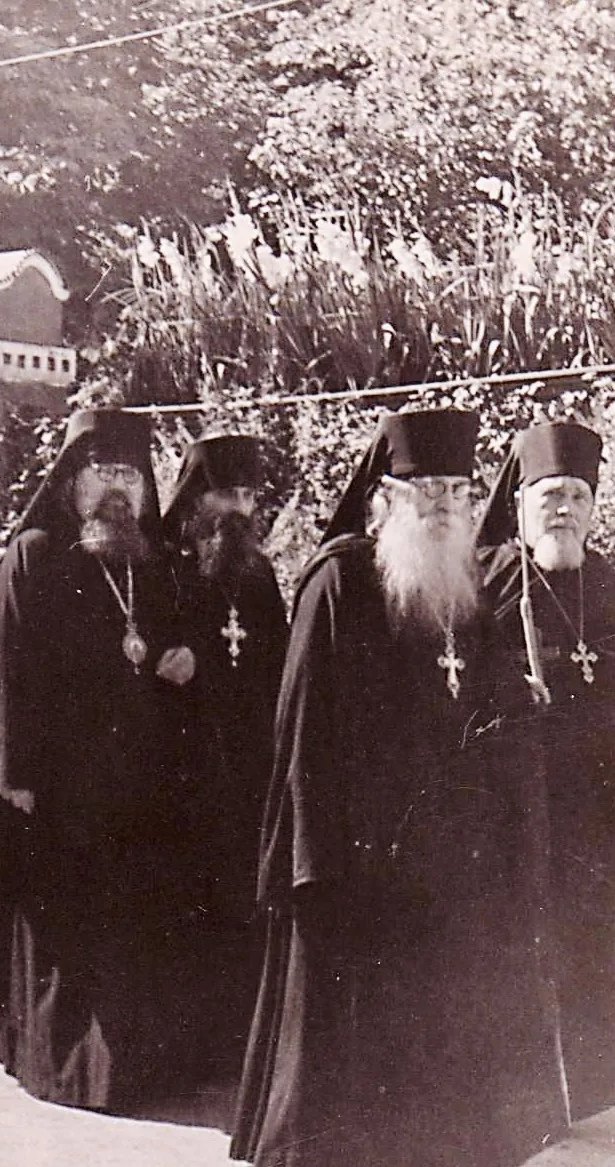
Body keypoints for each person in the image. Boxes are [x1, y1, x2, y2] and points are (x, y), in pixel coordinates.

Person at [231, 409, 569, 1167]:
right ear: (383, 497)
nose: (445, 505)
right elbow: (304, 732)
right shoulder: (340, 580)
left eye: (457, 489)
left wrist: (517, 706)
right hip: (360, 867)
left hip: (448, 864)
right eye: (426, 490)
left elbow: (481, 697)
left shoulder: (465, 587)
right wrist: (314, 863)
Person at [0, 407, 200, 1112]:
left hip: (136, 780)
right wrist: (14, 775)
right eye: (102, 472)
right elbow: (6, 673)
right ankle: (62, 1062)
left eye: (129, 474)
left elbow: (160, 644)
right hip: (60, 784)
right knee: (67, 931)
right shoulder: (36, 554)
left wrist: (180, 657)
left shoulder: (151, 562)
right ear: (71, 482)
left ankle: (124, 1068)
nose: (118, 488)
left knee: (128, 926)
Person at [478, 419, 615, 1122]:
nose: (563, 510)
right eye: (549, 496)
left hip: (598, 802)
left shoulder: (608, 580)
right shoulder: (491, 579)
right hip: (517, 800)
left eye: (577, 496)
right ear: (520, 503)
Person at [162, 434, 287, 1081]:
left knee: (242, 898)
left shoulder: (258, 573)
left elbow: (277, 663)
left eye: (246, 494)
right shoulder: (164, 565)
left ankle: (238, 1044)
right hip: (182, 764)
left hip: (245, 764)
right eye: (225, 493)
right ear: (195, 498)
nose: (238, 507)